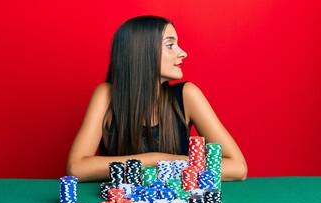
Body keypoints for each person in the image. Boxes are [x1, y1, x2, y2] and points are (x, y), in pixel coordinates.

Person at [67, 16, 247, 182]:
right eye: (170, 45)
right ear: (141, 52)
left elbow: (238, 168)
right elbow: (77, 168)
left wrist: (166, 164)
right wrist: (159, 159)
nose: (183, 53)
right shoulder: (106, 95)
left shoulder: (187, 95)